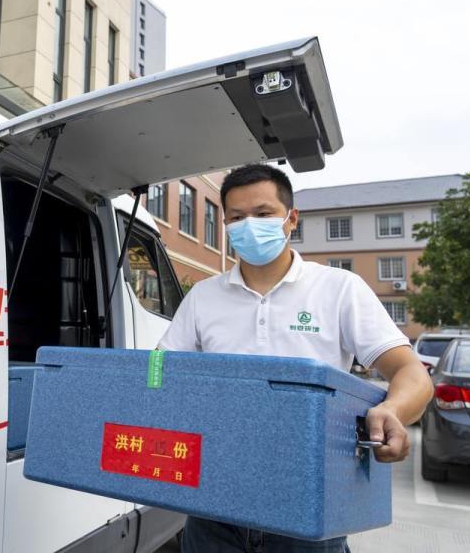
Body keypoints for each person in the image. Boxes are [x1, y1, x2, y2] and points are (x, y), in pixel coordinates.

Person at [158, 164, 433, 553]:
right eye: (237, 218)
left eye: (263, 213)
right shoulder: (203, 297)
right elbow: (160, 371)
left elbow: (410, 372)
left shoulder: (339, 289)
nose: (249, 226)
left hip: (308, 511)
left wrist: (393, 410)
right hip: (213, 506)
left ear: (291, 219)